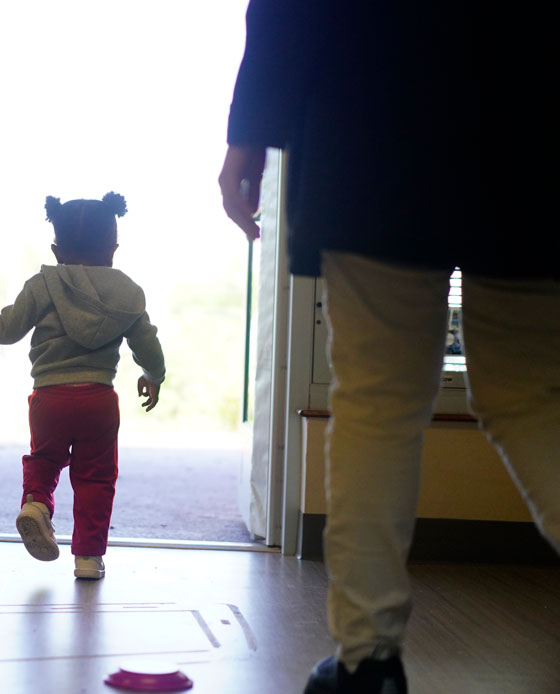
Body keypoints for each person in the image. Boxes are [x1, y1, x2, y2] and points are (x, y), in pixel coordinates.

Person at [218, 2, 559, 693]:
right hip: (534, 109)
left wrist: (251, 128)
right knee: (531, 396)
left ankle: (366, 660)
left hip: (372, 108)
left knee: (377, 400)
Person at [0, 192, 166, 580]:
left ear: (56, 248)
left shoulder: (43, 284)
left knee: (45, 459)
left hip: (49, 398)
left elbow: (5, 329)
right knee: (96, 478)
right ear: (113, 248)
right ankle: (88, 558)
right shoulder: (127, 293)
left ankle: (35, 503)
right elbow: (147, 343)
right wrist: (153, 376)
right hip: (99, 400)